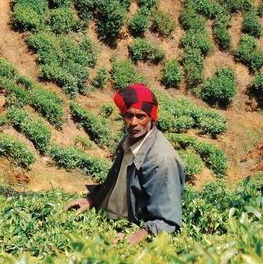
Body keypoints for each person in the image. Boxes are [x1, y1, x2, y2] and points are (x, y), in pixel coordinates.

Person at [65, 83, 185, 244]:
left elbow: (167, 220)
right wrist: (91, 199)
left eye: (141, 116)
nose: (133, 122)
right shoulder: (129, 140)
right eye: (129, 115)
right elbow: (118, 182)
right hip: (106, 224)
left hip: (129, 232)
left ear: (151, 118)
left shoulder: (161, 159)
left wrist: (135, 237)